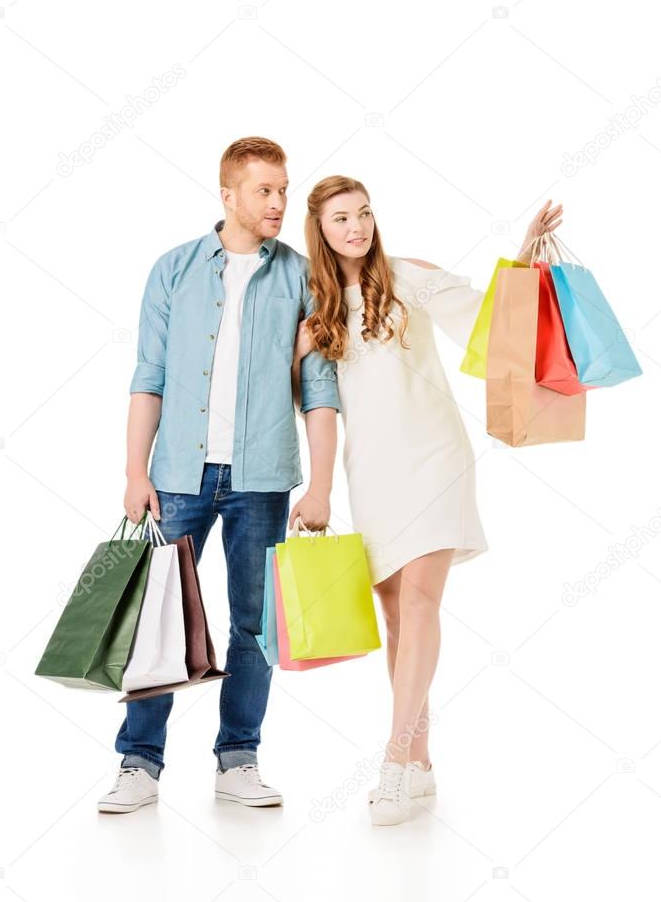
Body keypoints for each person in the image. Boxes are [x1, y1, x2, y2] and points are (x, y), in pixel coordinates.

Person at [292, 176, 563, 826]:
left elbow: (492, 321)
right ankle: (420, 763)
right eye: (340, 219)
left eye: (362, 213)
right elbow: (301, 394)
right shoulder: (320, 309)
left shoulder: (408, 276)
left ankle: (390, 761)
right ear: (320, 231)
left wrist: (523, 256)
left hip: (434, 459)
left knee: (419, 601)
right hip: (373, 473)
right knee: (395, 617)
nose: (355, 226)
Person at [98, 137, 340, 814]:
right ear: (228, 194)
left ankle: (238, 757)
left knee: (254, 623)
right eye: (264, 190)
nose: (278, 203)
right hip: (176, 473)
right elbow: (148, 377)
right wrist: (132, 470)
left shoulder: (299, 276)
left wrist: (320, 485)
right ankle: (138, 763)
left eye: (284, 190)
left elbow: (319, 390)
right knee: (157, 619)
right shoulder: (174, 269)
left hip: (263, 477)